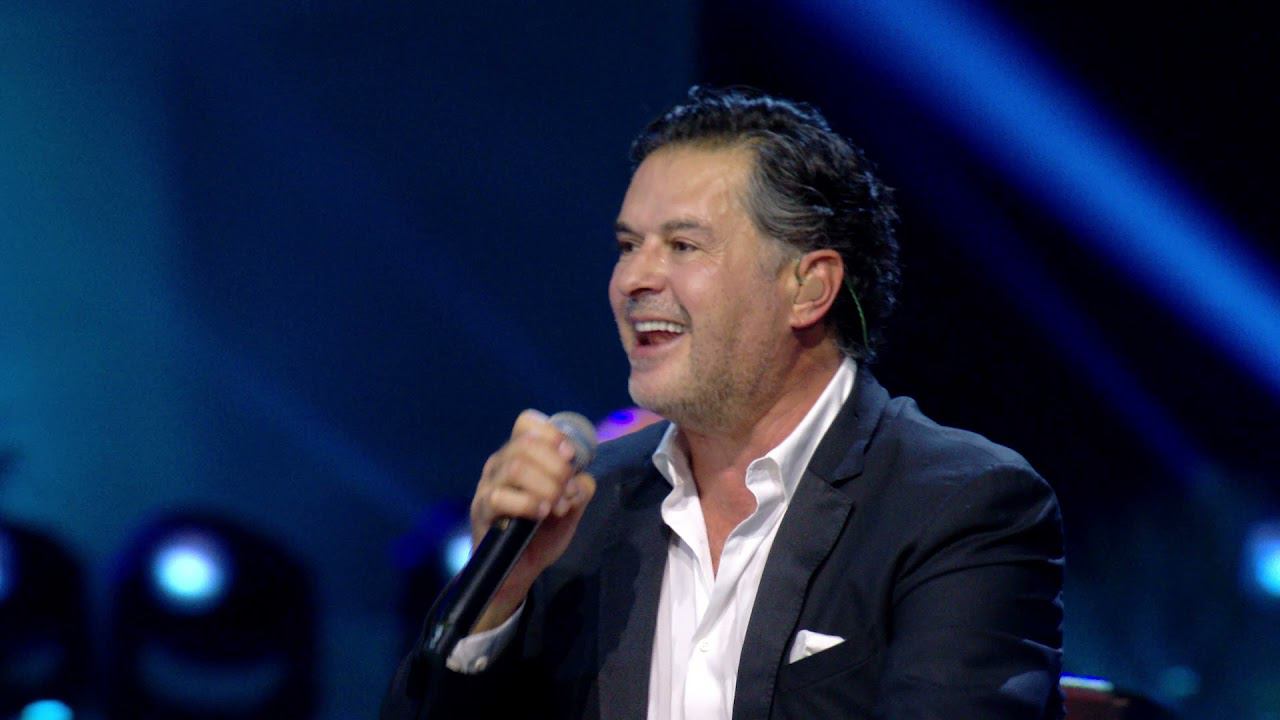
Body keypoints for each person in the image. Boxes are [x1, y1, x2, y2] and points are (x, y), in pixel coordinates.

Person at [382, 86, 1064, 719]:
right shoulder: (579, 515)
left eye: (682, 245)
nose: (634, 279)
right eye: (627, 246)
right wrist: (497, 595)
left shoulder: (957, 507)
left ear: (808, 288)